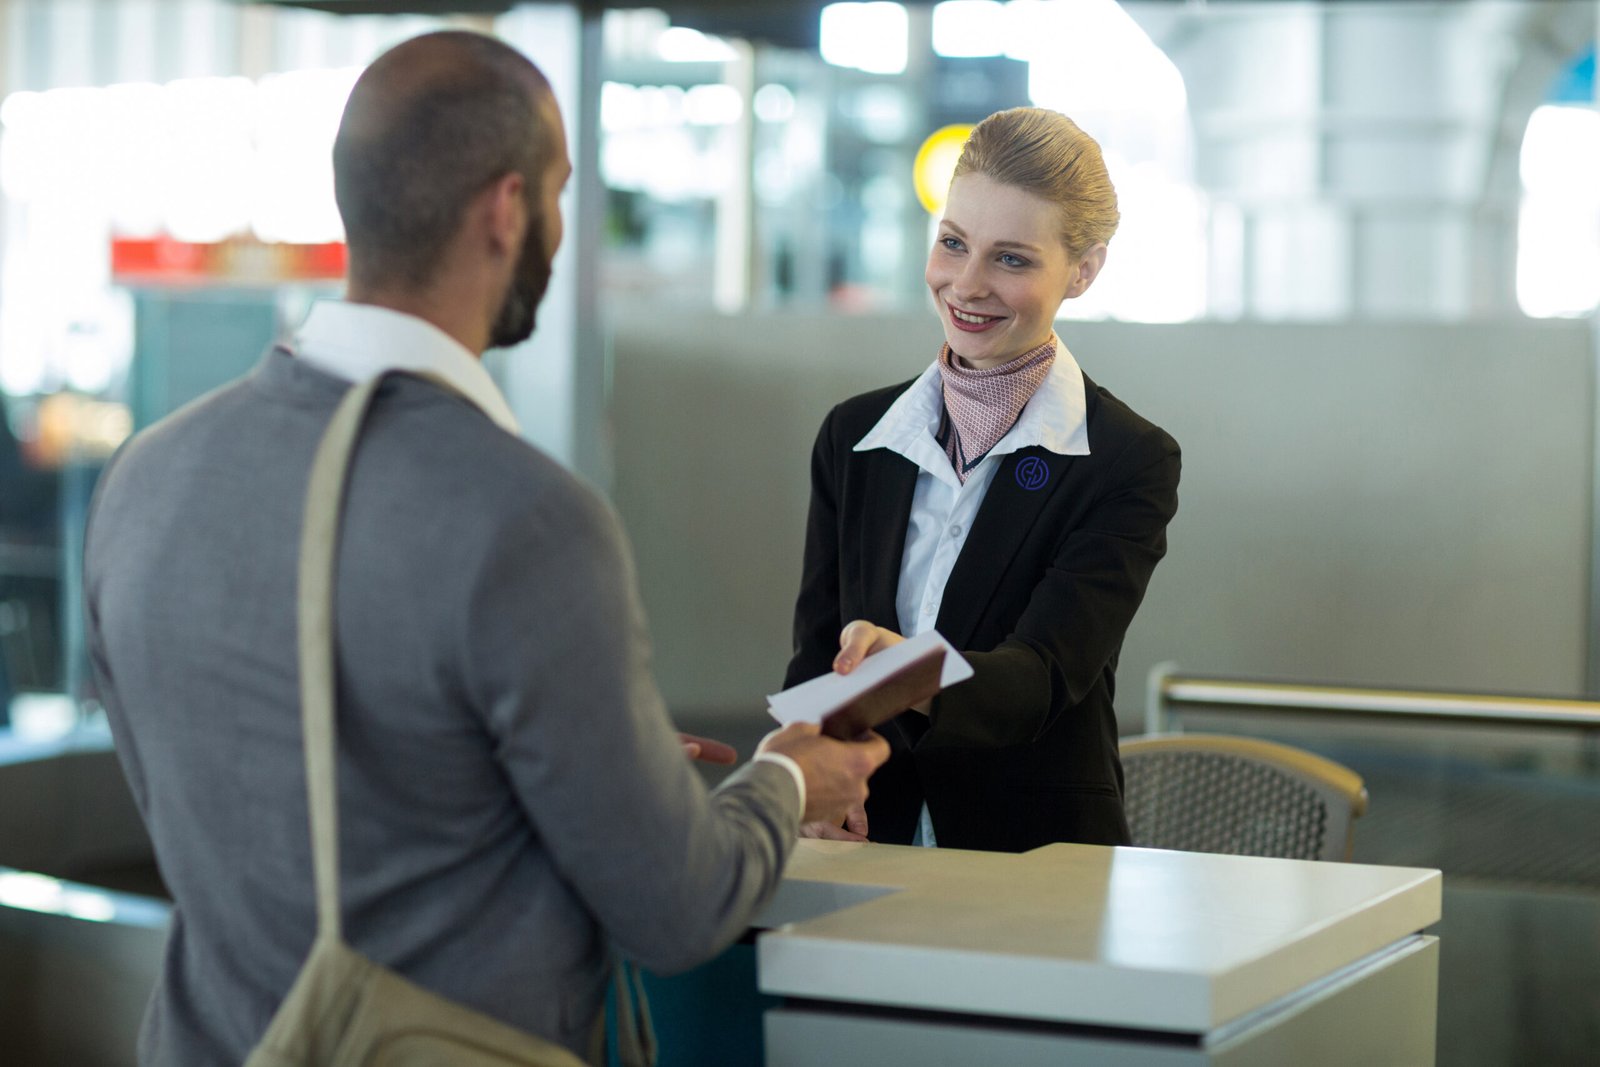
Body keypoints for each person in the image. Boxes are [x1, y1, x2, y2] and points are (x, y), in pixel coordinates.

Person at [84, 31, 887, 1066]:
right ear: (508, 210)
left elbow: (237, 789)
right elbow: (675, 909)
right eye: (558, 194)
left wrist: (570, 760)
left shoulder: (148, 474)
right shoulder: (524, 516)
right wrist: (784, 781)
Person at [784, 107, 1180, 853]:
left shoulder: (1127, 460)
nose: (966, 285)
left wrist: (907, 671)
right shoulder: (855, 437)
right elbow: (817, 652)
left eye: (1012, 259)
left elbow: (1044, 675)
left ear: (1084, 271)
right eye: (953, 243)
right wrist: (813, 777)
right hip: (865, 841)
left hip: (1036, 857)